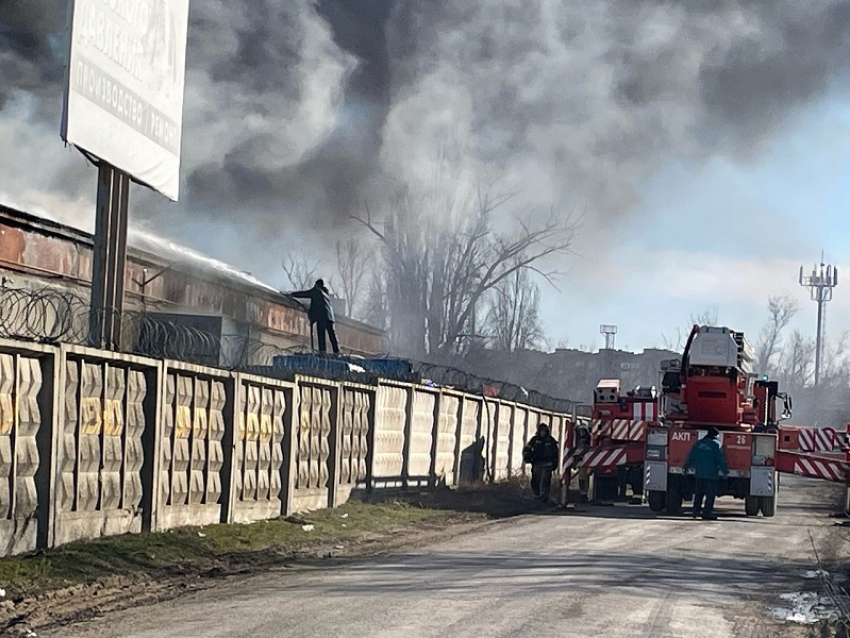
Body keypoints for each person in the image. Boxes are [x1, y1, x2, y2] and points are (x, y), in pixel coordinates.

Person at [684, 426, 729, 520]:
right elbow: (720, 460)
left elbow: (691, 456)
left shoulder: (698, 443)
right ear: (716, 435)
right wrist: (725, 471)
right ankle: (706, 513)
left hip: (699, 474)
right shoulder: (716, 444)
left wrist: (686, 467)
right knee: (710, 495)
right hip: (711, 475)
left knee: (698, 494)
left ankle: (695, 511)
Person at [289, 279, 340, 354]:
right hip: (330, 317)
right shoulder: (326, 295)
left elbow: (305, 294)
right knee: (332, 335)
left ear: (316, 285)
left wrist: (292, 294)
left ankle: (322, 352)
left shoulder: (316, 290)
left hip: (321, 316)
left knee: (321, 335)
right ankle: (337, 351)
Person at [522, 422, 560, 502]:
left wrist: (555, 463)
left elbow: (555, 453)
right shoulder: (535, 440)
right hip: (537, 463)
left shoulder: (551, 440)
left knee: (545, 480)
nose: (543, 432)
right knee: (536, 479)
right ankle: (536, 495)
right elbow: (527, 448)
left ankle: (544, 496)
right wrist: (527, 457)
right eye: (541, 431)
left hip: (547, 464)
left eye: (544, 431)